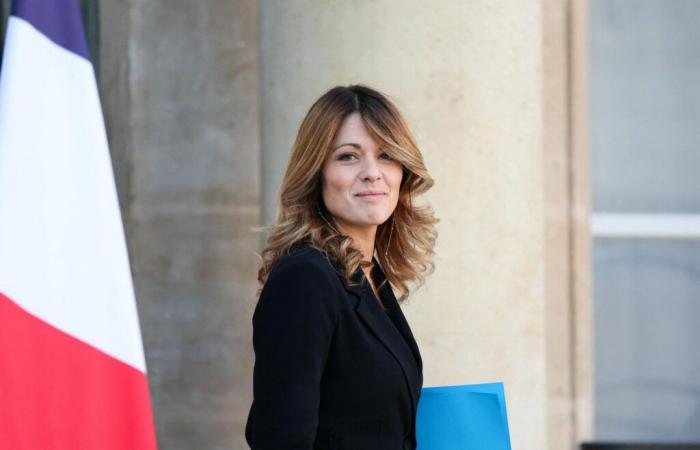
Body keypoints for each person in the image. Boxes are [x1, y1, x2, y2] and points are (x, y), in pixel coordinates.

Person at [245, 84, 438, 450]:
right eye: (348, 157)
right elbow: (281, 441)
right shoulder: (305, 279)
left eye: (386, 155)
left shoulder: (367, 275)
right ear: (317, 173)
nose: (372, 173)